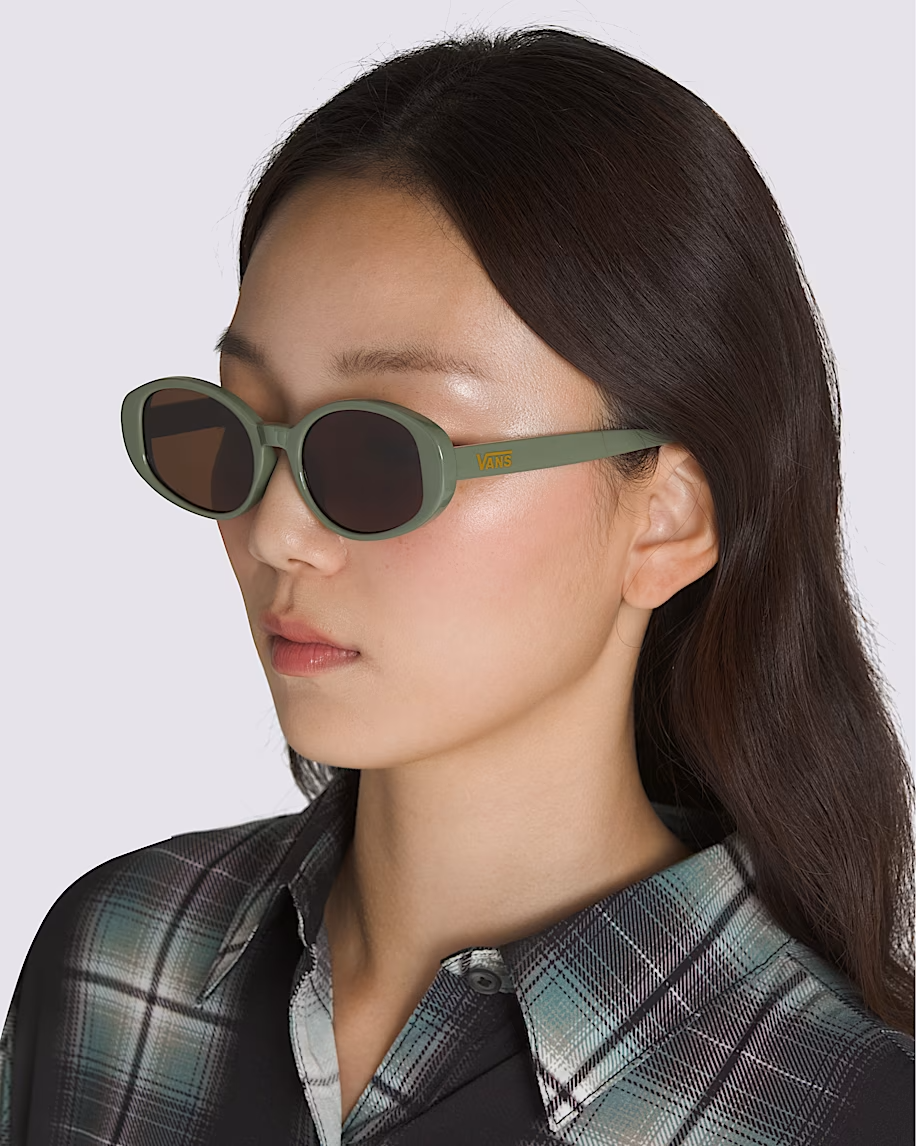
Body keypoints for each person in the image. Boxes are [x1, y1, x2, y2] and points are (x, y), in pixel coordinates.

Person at [1, 25, 913, 1146]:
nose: (276, 531)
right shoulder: (116, 965)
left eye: (381, 454)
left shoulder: (849, 1112)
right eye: (233, 433)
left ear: (667, 517)